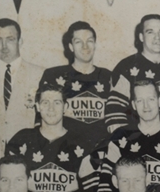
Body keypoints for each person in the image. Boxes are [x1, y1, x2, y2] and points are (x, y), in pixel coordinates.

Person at [82, 79, 160, 192]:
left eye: (151, 99)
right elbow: (106, 181)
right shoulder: (121, 136)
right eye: (140, 101)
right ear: (134, 105)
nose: (146, 106)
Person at [5, 82, 90, 192]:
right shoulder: (21, 140)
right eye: (45, 103)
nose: (51, 109)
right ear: (37, 106)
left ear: (65, 106)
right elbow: (8, 189)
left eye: (57, 103)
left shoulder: (82, 144)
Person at [39, 21, 112, 150]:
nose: (85, 46)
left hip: (101, 152)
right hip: (64, 152)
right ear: (71, 46)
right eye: (78, 42)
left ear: (95, 44)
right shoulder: (54, 75)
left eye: (89, 41)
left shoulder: (108, 77)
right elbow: (41, 122)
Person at [106, 14, 160, 133]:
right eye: (150, 32)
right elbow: (114, 112)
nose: (157, 37)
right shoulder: (126, 67)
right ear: (141, 37)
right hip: (136, 144)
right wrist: (126, 143)